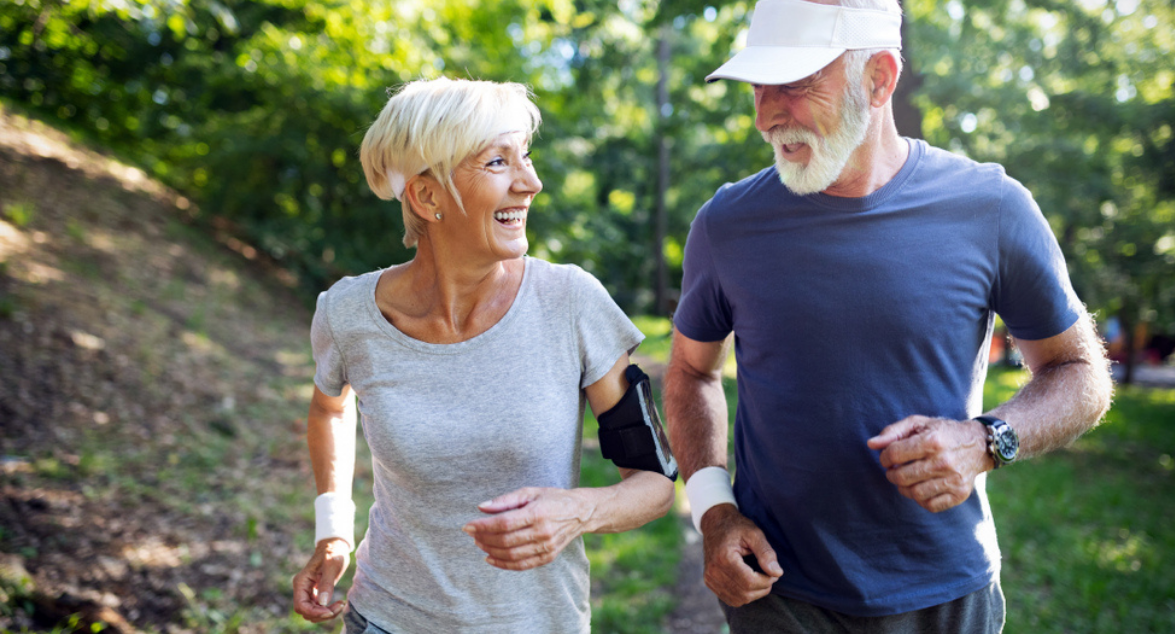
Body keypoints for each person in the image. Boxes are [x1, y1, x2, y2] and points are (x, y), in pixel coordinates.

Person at [664, 0, 1114, 632]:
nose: (766, 115)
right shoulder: (727, 223)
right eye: (758, 88)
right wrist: (713, 512)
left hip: (947, 598)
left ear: (879, 78)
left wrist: (987, 440)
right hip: (779, 596)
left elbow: (1080, 372)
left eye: (793, 85)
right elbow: (691, 371)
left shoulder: (992, 208)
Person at [290, 77, 675, 633]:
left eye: (526, 157)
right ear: (426, 196)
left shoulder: (571, 302)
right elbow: (330, 405)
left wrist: (576, 511)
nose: (532, 183)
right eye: (498, 162)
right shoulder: (348, 313)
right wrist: (333, 529)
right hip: (386, 619)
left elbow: (655, 481)